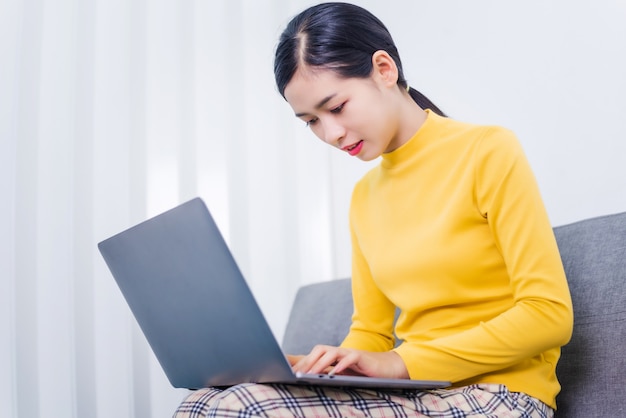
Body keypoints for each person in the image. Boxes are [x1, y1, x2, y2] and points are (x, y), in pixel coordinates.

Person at [175, 2, 573, 417]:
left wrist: (402, 363)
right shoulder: (365, 196)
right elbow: (370, 331)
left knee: (245, 408)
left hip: (502, 395)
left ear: (384, 69)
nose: (331, 134)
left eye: (336, 107)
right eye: (310, 121)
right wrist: (312, 368)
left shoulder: (487, 151)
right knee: (205, 400)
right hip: (418, 392)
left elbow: (548, 315)